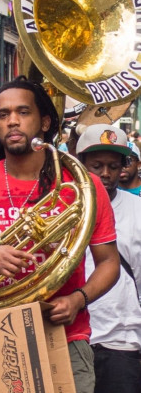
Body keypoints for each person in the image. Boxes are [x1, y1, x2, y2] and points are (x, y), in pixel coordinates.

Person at [0, 76, 120, 393]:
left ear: (44, 122)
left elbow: (109, 262)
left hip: (65, 335)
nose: (12, 121)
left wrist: (77, 300)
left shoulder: (83, 186)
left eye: (23, 112)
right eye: (3, 115)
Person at [76, 124, 141, 393]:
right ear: (81, 164)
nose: (106, 173)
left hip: (121, 343)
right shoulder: (60, 207)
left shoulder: (138, 210)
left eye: (113, 166)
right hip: (70, 338)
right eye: (97, 165)